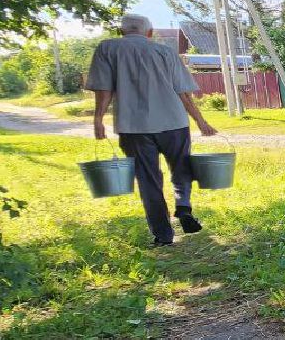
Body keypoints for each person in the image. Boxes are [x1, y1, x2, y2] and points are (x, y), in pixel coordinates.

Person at [86, 13, 219, 246]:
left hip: (133, 127)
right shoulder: (165, 51)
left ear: (121, 31)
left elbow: (103, 89)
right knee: (181, 167)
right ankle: (183, 207)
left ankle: (163, 235)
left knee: (148, 180)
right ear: (149, 33)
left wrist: (98, 119)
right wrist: (201, 121)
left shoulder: (108, 49)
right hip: (174, 122)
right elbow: (183, 93)